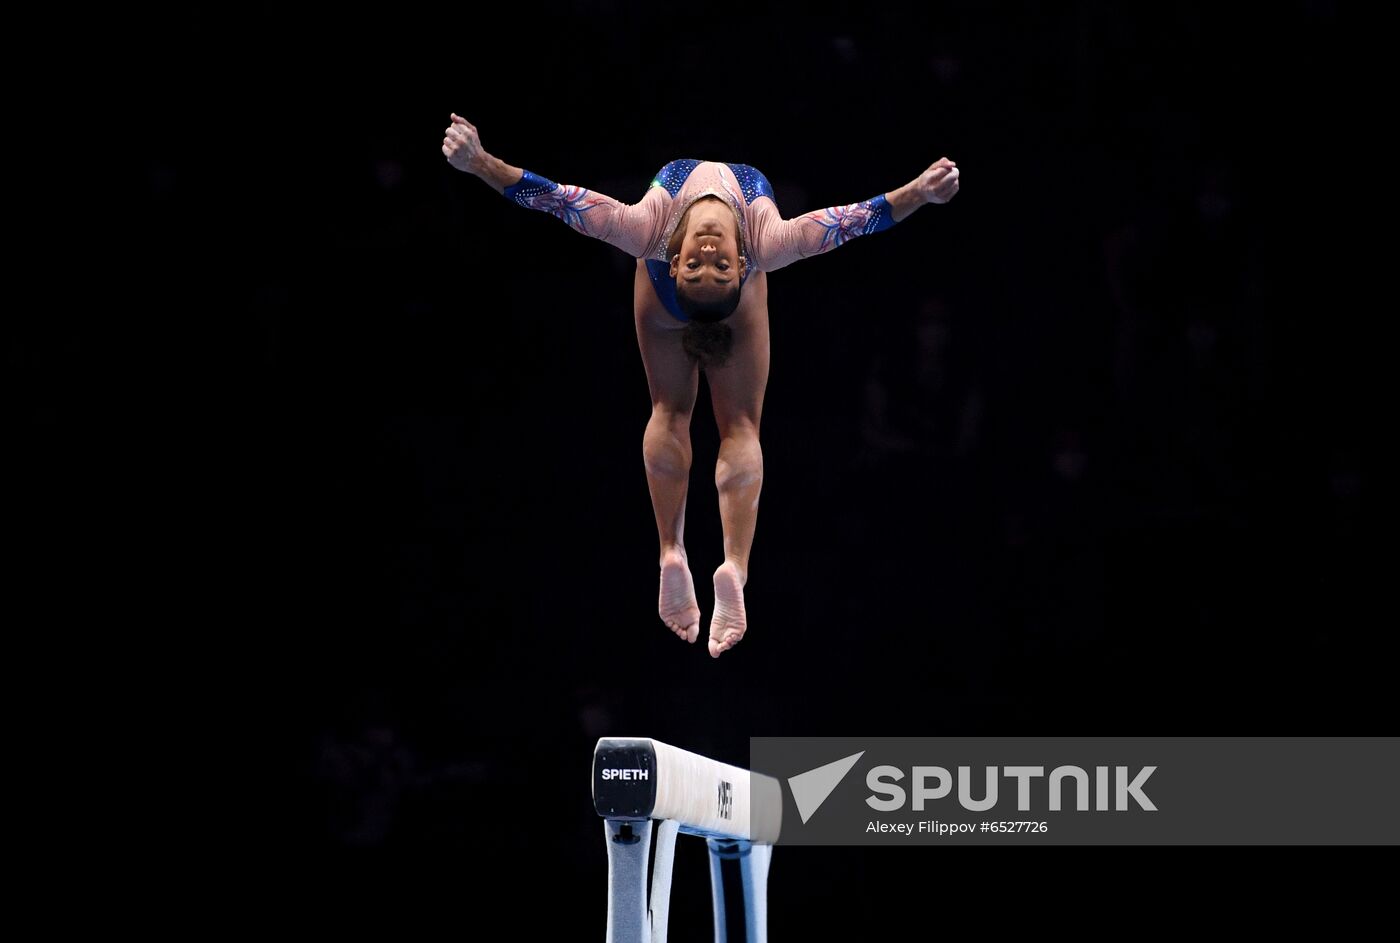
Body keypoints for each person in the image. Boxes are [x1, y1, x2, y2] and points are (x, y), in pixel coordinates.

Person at [443, 113, 961, 657]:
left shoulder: (647, 229)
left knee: (671, 409)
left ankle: (681, 553)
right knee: (736, 424)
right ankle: (724, 564)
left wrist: (481, 164)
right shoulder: (769, 244)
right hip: (726, 307)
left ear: (674, 260)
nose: (709, 253)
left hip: (671, 306)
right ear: (741, 266)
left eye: (700, 264)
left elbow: (555, 200)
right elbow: (857, 221)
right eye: (709, 264)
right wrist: (919, 193)